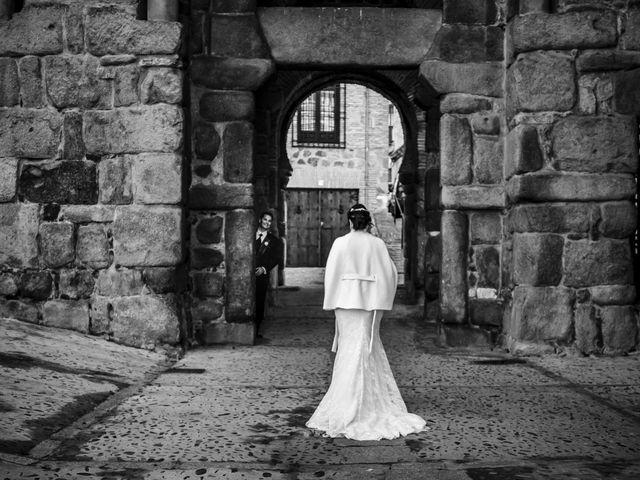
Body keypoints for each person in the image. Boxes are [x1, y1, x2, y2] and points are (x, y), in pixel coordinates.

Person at [306, 203, 427, 441]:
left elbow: (331, 273)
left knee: (348, 349)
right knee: (365, 347)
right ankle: (364, 403)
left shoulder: (340, 243)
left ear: (350, 222)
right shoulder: (377, 244)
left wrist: (332, 300)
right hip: (368, 305)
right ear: (368, 222)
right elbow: (390, 274)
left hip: (344, 303)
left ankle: (345, 403)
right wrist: (380, 299)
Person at [254, 211, 281, 338]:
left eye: (269, 221)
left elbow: (276, 258)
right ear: (260, 220)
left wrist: (264, 269)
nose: (267, 223)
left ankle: (255, 330)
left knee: (259, 301)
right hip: (246, 275)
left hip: (261, 276)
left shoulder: (274, 241)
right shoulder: (249, 235)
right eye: (265, 219)